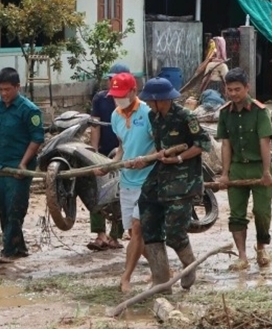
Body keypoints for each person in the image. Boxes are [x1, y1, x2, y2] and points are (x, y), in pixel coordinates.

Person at [136, 77, 211, 289]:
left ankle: (189, 266)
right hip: (159, 176)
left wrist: (179, 158)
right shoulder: (154, 117)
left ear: (162, 100)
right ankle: (160, 279)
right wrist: (145, 159)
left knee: (175, 232)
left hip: (183, 180)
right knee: (148, 220)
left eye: (151, 100)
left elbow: (203, 144)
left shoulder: (185, 117)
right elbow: (159, 147)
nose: (149, 104)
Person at [0, 68, 44, 264]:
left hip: (19, 169)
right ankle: (18, 247)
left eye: (8, 89)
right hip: (1, 167)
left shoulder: (30, 110)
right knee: (2, 208)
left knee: (15, 209)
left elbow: (36, 140)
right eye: (0, 89)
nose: (4, 93)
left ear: (18, 87)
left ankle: (7, 251)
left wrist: (24, 164)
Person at [216, 67, 272, 271]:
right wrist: (224, 174)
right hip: (237, 169)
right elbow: (225, 145)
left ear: (247, 88)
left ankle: (261, 249)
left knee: (262, 212)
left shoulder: (260, 111)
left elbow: (264, 142)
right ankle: (242, 256)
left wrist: (267, 173)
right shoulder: (224, 113)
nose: (233, 94)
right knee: (236, 214)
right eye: (229, 90)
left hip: (259, 167)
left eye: (237, 89)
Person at [106, 72, 156, 292]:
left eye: (122, 95)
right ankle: (160, 269)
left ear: (134, 91)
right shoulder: (115, 116)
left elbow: (159, 146)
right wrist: (111, 164)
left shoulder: (147, 113)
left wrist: (144, 161)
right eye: (115, 95)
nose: (118, 99)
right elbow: (122, 147)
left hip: (148, 181)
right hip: (127, 181)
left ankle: (125, 278)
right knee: (133, 233)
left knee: (137, 229)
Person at [88, 62, 129, 251]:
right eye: (110, 79)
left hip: (125, 153)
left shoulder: (132, 102)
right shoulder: (100, 99)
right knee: (97, 191)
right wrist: (94, 152)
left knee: (120, 193)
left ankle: (115, 235)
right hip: (105, 151)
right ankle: (100, 234)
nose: (112, 82)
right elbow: (95, 125)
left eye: (116, 79)